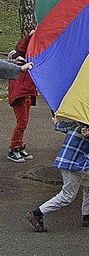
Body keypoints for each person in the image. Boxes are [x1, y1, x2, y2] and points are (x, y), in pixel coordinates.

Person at [26, 114, 89, 232]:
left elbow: (65, 126)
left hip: (72, 162)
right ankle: (37, 213)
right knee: (67, 196)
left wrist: (56, 122)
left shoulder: (82, 118)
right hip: (75, 164)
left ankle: (88, 215)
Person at [7, 31, 37, 163]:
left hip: (26, 93)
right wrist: (29, 36)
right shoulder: (18, 58)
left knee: (23, 123)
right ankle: (13, 148)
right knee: (22, 122)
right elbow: (21, 49)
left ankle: (18, 146)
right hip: (20, 94)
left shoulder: (30, 59)